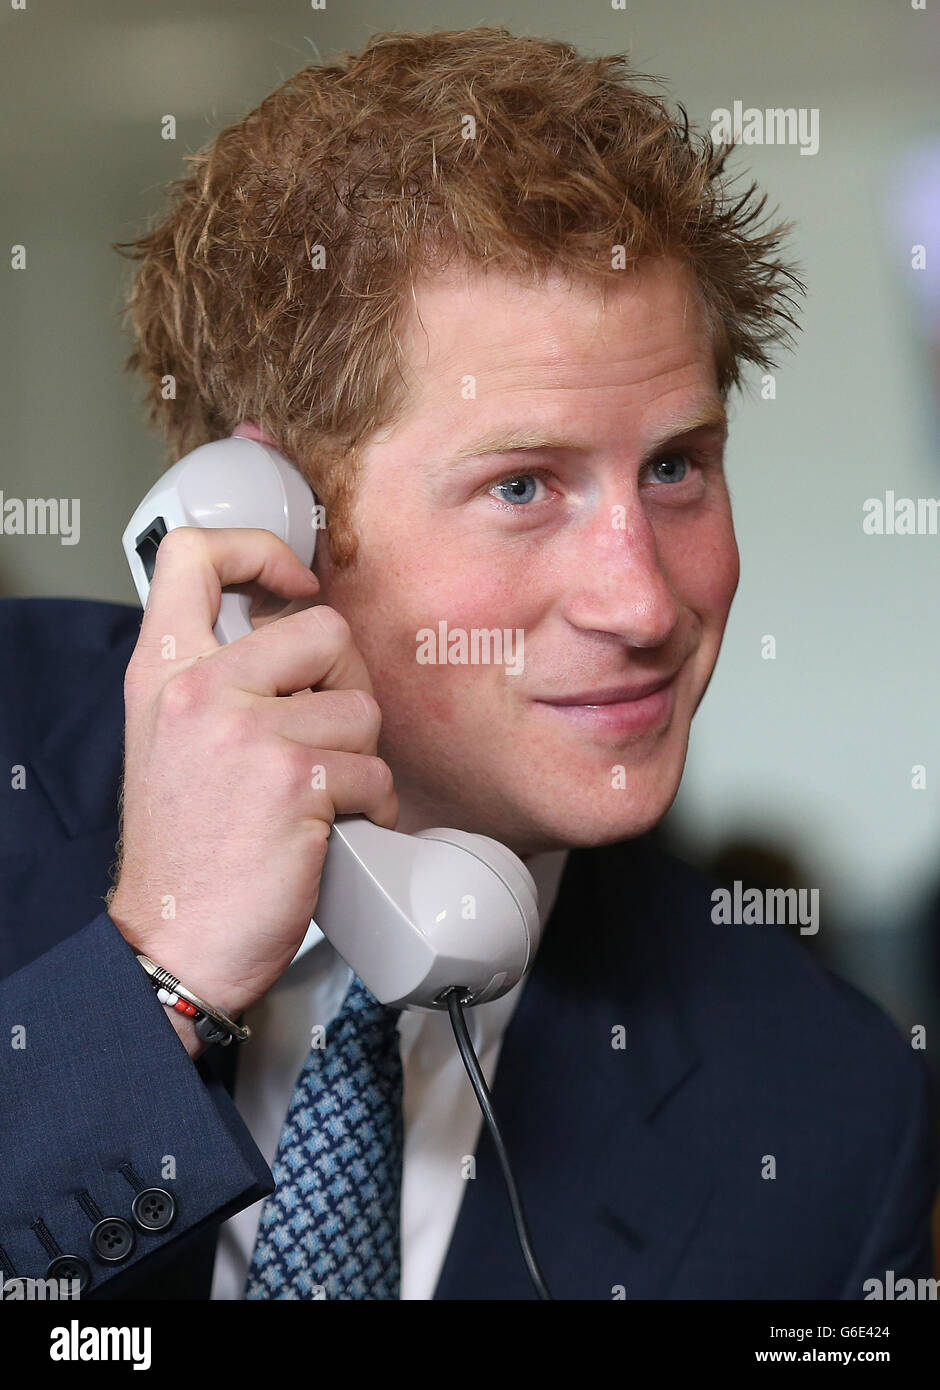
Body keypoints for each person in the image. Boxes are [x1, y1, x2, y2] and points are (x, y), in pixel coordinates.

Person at [0, 26, 935, 1301]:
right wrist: (158, 977)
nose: (643, 600)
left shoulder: (824, 1113)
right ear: (262, 513)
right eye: (521, 484)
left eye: (674, 466)